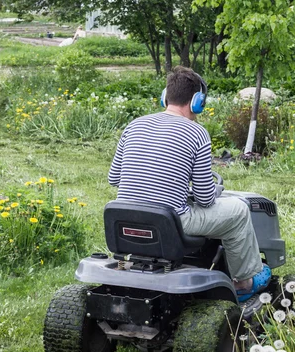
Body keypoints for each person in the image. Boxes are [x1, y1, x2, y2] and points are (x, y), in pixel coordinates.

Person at [108, 65, 271, 301]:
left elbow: (114, 178)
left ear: (166, 96)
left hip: (124, 217)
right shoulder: (197, 133)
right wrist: (209, 191)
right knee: (238, 210)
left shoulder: (134, 125)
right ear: (197, 102)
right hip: (170, 221)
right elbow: (205, 199)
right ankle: (244, 282)